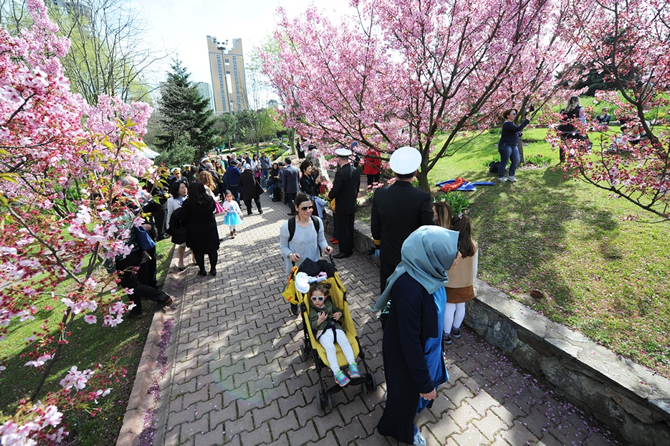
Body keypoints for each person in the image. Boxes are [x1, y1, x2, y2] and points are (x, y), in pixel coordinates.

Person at [375, 226, 460, 446]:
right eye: (452, 252)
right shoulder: (410, 290)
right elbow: (410, 343)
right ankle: (402, 428)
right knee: (405, 399)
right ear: (432, 256)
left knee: (409, 396)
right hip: (406, 357)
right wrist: (424, 384)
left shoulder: (429, 273)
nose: (458, 256)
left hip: (425, 350)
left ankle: (412, 406)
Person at [371, 146, 434, 292]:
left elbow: (375, 224)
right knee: (408, 291)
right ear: (416, 173)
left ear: (394, 172)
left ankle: (386, 314)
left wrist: (378, 245)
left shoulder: (380, 193)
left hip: (387, 250)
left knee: (387, 287)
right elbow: (428, 228)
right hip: (412, 256)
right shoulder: (421, 197)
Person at [116, 177, 174, 315]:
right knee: (141, 268)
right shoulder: (122, 202)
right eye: (135, 185)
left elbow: (153, 208)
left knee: (151, 260)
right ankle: (147, 291)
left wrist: (153, 198)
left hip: (148, 235)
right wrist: (140, 226)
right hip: (135, 241)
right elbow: (127, 221)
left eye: (138, 185)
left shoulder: (139, 196)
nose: (138, 187)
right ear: (125, 187)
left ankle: (152, 285)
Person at [279, 193, 333, 314]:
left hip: (314, 264)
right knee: (296, 290)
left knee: (313, 291)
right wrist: (290, 254)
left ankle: (311, 314)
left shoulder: (317, 221)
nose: (308, 211)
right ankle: (294, 302)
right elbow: (283, 246)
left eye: (310, 207)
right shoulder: (288, 226)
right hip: (296, 266)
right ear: (296, 207)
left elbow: (321, 239)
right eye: (304, 208)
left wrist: (326, 247)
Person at [307, 282, 360, 387]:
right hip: (323, 333)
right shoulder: (313, 310)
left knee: (345, 342)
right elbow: (312, 325)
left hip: (336, 328)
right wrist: (319, 321)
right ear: (311, 298)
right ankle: (337, 372)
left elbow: (339, 311)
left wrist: (339, 314)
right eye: (314, 299)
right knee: (330, 349)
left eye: (320, 298)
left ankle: (352, 365)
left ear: (325, 297)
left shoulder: (330, 304)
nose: (317, 301)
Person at [440, 215, 478, 346]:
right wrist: (472, 281)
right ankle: (456, 330)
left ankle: (446, 334)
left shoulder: (449, 245)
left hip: (450, 283)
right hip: (465, 283)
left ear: (452, 228)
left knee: (449, 308)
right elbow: (475, 266)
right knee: (461, 307)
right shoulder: (473, 245)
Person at [179, 181, 220, 277]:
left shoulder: (187, 203)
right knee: (212, 250)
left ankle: (202, 270)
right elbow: (213, 209)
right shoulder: (209, 199)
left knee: (198, 251)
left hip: (195, 230)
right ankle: (213, 269)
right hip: (210, 228)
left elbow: (183, 217)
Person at [328, 148, 361, 259]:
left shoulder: (341, 173)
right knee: (349, 228)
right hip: (352, 204)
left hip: (342, 206)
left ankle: (344, 251)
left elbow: (336, 189)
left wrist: (329, 196)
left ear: (339, 159)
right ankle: (349, 249)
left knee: (343, 229)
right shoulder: (355, 170)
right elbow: (357, 187)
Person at [497, 109, 530, 182]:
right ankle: (501, 176)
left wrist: (518, 134)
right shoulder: (507, 124)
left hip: (513, 145)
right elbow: (517, 129)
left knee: (516, 160)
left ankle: (511, 175)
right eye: (513, 114)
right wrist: (526, 121)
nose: (515, 115)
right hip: (505, 145)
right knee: (505, 161)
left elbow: (513, 131)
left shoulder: (511, 124)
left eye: (515, 114)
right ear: (508, 115)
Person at [557, 96, 589, 162]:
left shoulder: (563, 111)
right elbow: (582, 120)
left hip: (563, 130)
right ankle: (570, 158)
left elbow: (560, 121)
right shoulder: (580, 109)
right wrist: (584, 128)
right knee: (573, 144)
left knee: (563, 144)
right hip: (574, 130)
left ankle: (562, 158)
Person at [167, 181, 188, 271]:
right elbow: (170, 214)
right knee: (182, 244)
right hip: (180, 226)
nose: (185, 189)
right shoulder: (171, 200)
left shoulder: (190, 198)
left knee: (193, 242)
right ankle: (180, 261)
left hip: (190, 224)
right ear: (177, 190)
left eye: (185, 187)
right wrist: (169, 228)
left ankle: (195, 258)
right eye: (182, 188)